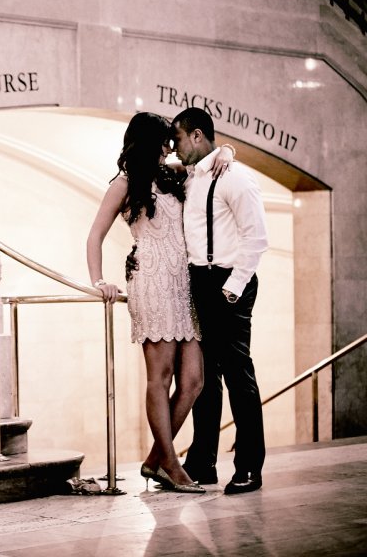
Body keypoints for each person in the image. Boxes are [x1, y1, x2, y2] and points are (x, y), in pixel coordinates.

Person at [86, 112, 231, 493]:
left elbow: (209, 158)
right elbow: (95, 235)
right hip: (150, 280)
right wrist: (99, 281)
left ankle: (155, 460)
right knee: (160, 377)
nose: (170, 148)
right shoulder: (123, 183)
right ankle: (171, 464)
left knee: (194, 381)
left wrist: (227, 150)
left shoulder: (172, 175)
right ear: (148, 143)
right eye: (164, 141)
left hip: (183, 283)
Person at [171, 107, 269, 495]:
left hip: (229, 282)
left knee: (238, 376)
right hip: (200, 281)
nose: (174, 148)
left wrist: (233, 287)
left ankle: (249, 467)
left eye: (178, 139)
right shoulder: (192, 176)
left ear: (197, 135)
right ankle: (202, 463)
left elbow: (256, 237)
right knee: (204, 378)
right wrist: (225, 148)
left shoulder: (236, 177)